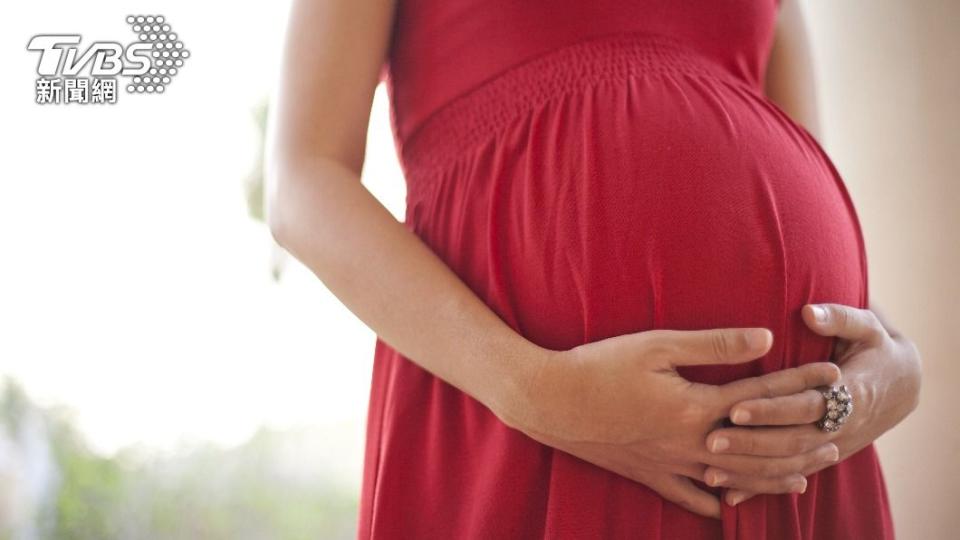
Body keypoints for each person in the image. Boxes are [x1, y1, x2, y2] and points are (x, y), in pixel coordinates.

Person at [265, 0, 922, 538]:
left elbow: (797, 169)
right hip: (527, 427)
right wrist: (537, 392)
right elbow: (303, 179)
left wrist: (887, 365)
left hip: (789, 464)